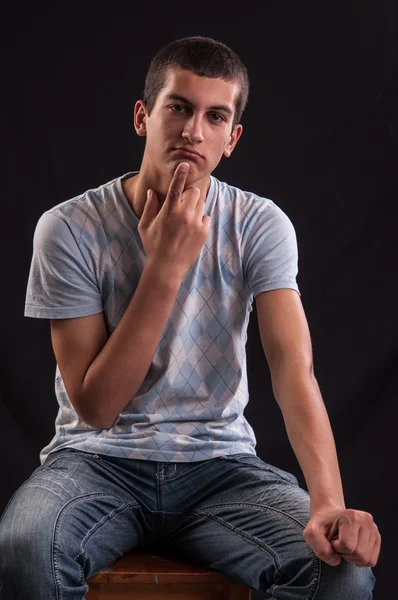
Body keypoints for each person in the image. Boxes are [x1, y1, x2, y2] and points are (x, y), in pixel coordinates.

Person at [0, 35, 380, 599]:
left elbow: (292, 370)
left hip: (221, 469)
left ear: (233, 138)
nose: (192, 130)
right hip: (94, 464)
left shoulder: (258, 223)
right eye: (178, 107)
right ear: (142, 116)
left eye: (215, 116)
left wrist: (328, 503)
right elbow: (97, 406)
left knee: (342, 574)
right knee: (25, 549)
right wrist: (166, 268)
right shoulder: (69, 229)